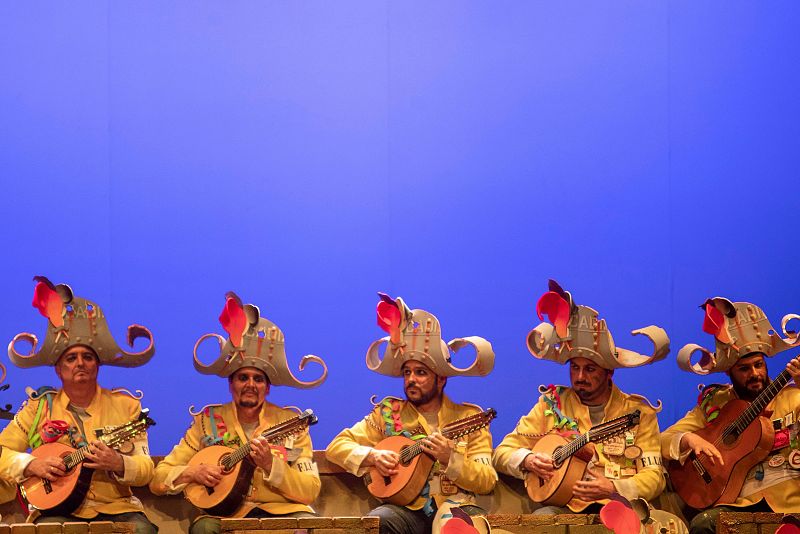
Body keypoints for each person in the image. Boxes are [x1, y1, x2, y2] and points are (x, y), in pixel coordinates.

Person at [149, 292, 327, 534]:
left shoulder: (291, 423)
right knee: (202, 529)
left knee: (305, 528)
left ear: (268, 387)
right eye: (243, 378)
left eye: (258, 379)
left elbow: (310, 489)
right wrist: (192, 472)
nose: (251, 385)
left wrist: (270, 465)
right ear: (231, 384)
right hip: (226, 515)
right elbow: (159, 478)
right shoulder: (207, 422)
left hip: (282, 511)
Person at [326, 293, 497, 534]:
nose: (411, 380)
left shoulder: (469, 417)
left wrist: (451, 458)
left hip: (458, 509)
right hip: (407, 510)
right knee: (380, 520)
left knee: (455, 526)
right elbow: (338, 446)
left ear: (441, 378)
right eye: (407, 372)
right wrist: (373, 456)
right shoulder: (387, 413)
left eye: (421, 373)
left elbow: (487, 480)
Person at [493, 280, 669, 516]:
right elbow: (503, 452)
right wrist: (528, 460)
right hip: (565, 505)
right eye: (574, 368)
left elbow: (654, 476)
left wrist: (614, 488)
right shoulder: (551, 404)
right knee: (542, 520)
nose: (579, 376)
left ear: (609, 372)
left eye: (590, 369)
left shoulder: (638, 413)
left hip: (618, 506)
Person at [0, 276, 157, 534]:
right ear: (59, 370)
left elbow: (146, 469)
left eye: (87, 357)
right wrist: (31, 464)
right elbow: (1, 452)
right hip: (56, 509)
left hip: (117, 507)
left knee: (143, 531)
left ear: (98, 365)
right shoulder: (38, 407)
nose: (80, 363)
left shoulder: (127, 406)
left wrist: (119, 462)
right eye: (71, 358)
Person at [662, 297, 800, 534]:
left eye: (759, 365)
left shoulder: (793, 397)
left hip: (788, 501)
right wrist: (689, 440)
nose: (754, 374)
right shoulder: (716, 403)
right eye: (744, 369)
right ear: (729, 371)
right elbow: (663, 439)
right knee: (702, 523)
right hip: (738, 501)